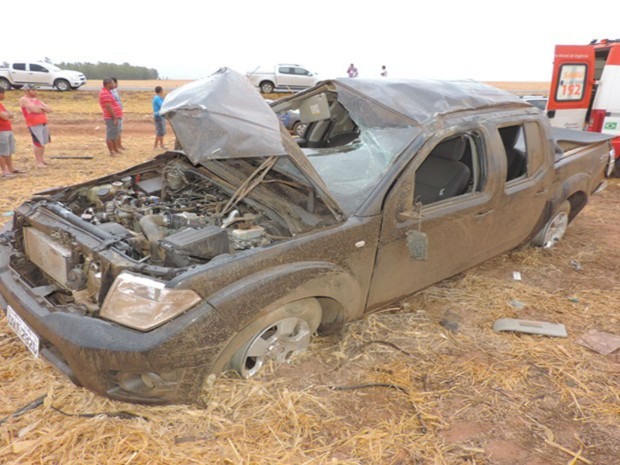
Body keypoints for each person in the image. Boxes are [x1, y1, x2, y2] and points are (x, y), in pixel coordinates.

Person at [19, 84, 52, 168]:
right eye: (33, 90)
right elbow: (35, 110)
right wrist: (42, 108)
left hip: (42, 122)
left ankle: (42, 159)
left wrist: (41, 108)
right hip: (33, 123)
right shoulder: (24, 99)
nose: (35, 92)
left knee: (42, 142)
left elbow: (49, 109)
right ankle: (39, 162)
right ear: (27, 91)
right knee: (37, 142)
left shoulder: (37, 100)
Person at [98, 78, 123, 156]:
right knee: (111, 135)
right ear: (107, 84)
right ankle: (111, 151)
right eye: (112, 83)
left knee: (115, 134)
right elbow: (108, 106)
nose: (114, 85)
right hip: (110, 117)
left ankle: (115, 149)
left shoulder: (108, 92)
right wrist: (114, 117)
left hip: (115, 116)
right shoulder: (105, 93)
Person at [0, 87, 21, 177]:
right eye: (3, 93)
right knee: (2, 151)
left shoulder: (1, 105)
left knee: (8, 150)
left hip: (6, 129)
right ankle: (4, 170)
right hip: (1, 131)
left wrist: (8, 114)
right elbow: (5, 116)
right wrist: (8, 114)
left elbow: (9, 115)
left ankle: (10, 168)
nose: (4, 95)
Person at [110, 77, 125, 150]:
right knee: (116, 131)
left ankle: (119, 145)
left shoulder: (115, 91)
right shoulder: (110, 92)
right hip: (115, 114)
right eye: (112, 83)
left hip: (119, 112)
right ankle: (115, 147)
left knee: (119, 130)